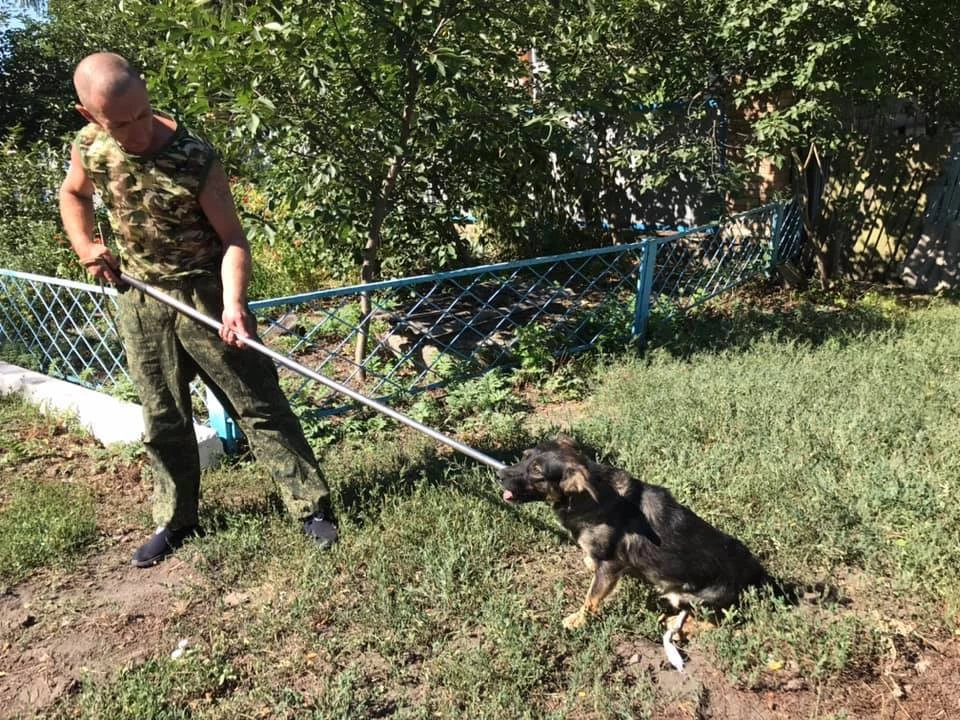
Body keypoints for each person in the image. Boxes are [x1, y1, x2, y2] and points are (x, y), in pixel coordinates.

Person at [58, 52, 338, 567]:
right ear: (89, 116)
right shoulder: (90, 146)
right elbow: (74, 194)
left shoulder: (193, 156)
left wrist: (234, 305)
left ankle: (311, 507)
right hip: (139, 298)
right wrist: (84, 245)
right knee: (163, 416)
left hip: (204, 294)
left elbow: (233, 239)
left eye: (142, 114)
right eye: (120, 122)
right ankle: (177, 518)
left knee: (256, 403)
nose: (137, 130)